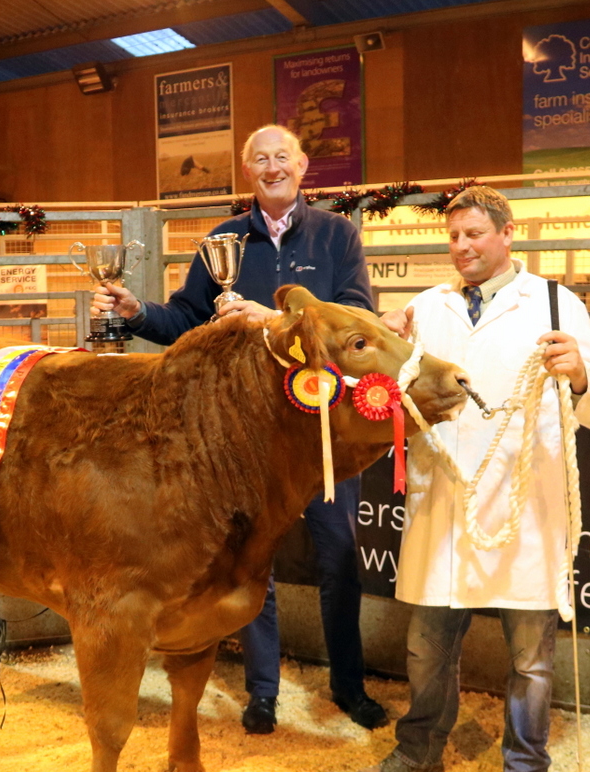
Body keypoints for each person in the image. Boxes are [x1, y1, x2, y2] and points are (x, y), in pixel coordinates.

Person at [93, 124, 388, 734]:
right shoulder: (223, 240)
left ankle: (347, 685)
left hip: (321, 434)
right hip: (247, 440)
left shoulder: (337, 234)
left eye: (283, 157)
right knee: (253, 569)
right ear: (247, 170)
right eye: (261, 159)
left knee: (339, 558)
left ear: (302, 166)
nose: (273, 167)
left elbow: (357, 317)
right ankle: (263, 691)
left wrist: (274, 320)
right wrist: (136, 311)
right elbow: (186, 318)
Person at [351, 185, 590, 772]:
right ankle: (419, 751)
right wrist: (382, 344)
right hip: (445, 499)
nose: (462, 247)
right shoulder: (426, 306)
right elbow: (385, 384)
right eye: (454, 236)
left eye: (474, 234)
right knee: (426, 647)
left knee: (530, 658)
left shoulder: (554, 303)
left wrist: (580, 372)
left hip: (521, 506)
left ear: (507, 233)